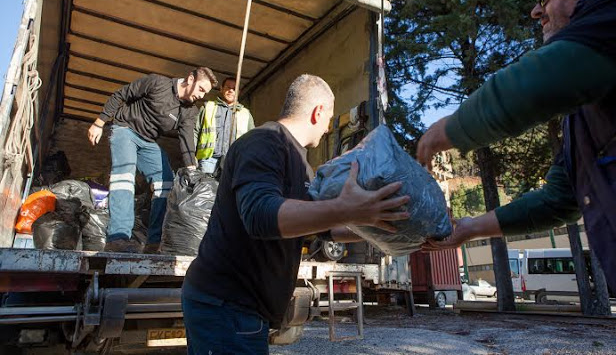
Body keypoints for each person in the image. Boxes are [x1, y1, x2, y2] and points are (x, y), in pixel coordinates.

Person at [416, 0, 616, 345]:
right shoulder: (587, 107)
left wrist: (439, 134)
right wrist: (467, 229)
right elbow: (559, 198)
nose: (537, 11)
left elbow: (534, 84)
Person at [182, 74, 409, 353]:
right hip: (225, 304)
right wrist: (346, 209)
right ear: (318, 112)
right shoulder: (263, 143)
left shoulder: (302, 165)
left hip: (246, 308)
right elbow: (260, 216)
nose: (327, 129)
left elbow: (322, 227)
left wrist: (383, 225)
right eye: (329, 119)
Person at [87, 67, 217, 254]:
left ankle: (154, 242)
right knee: (124, 178)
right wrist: (99, 123)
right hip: (125, 130)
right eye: (201, 89)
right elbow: (121, 94)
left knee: (167, 184)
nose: (201, 95)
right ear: (190, 79)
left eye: (205, 93)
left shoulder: (189, 111)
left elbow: (187, 140)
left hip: (148, 142)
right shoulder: (157, 83)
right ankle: (118, 238)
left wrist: (192, 171)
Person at [194, 77, 254, 174]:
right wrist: (192, 155)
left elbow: (252, 141)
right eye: (228, 87)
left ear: (239, 92)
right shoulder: (208, 107)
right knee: (205, 188)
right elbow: (196, 131)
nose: (231, 90)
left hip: (234, 162)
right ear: (221, 89)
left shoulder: (246, 114)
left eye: (234, 89)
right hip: (208, 159)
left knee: (229, 189)